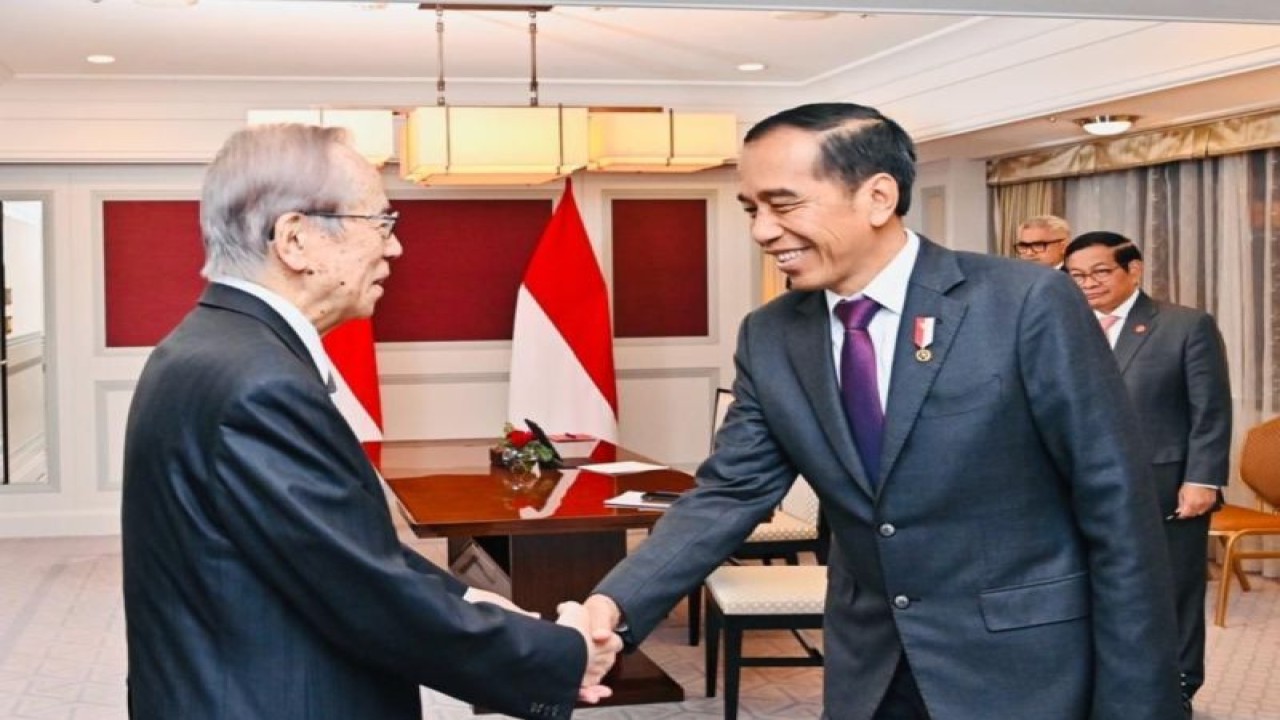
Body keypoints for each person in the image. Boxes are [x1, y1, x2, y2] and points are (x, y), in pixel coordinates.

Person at [583, 103, 1182, 719]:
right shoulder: (771, 335)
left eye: (783, 205)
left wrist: (1139, 700)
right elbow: (729, 492)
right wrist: (612, 607)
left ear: (877, 197)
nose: (762, 231)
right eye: (751, 210)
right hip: (870, 664)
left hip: (1022, 663)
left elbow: (1115, 506)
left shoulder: (1022, 302)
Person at [121, 124, 620, 720]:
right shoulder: (259, 381)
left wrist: (470, 596)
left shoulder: (208, 347)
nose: (395, 248)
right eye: (381, 223)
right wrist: (559, 655)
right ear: (296, 239)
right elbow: (363, 592)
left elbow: (335, 549)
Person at [1064, 231, 1232, 717]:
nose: (1088, 284)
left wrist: (1203, 479)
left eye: (1099, 272)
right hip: (1081, 486)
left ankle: (1178, 688)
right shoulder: (1063, 326)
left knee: (1172, 592)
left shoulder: (1184, 325)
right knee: (1093, 588)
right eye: (1076, 276)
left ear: (1133, 270)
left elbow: (1210, 410)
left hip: (1164, 486)